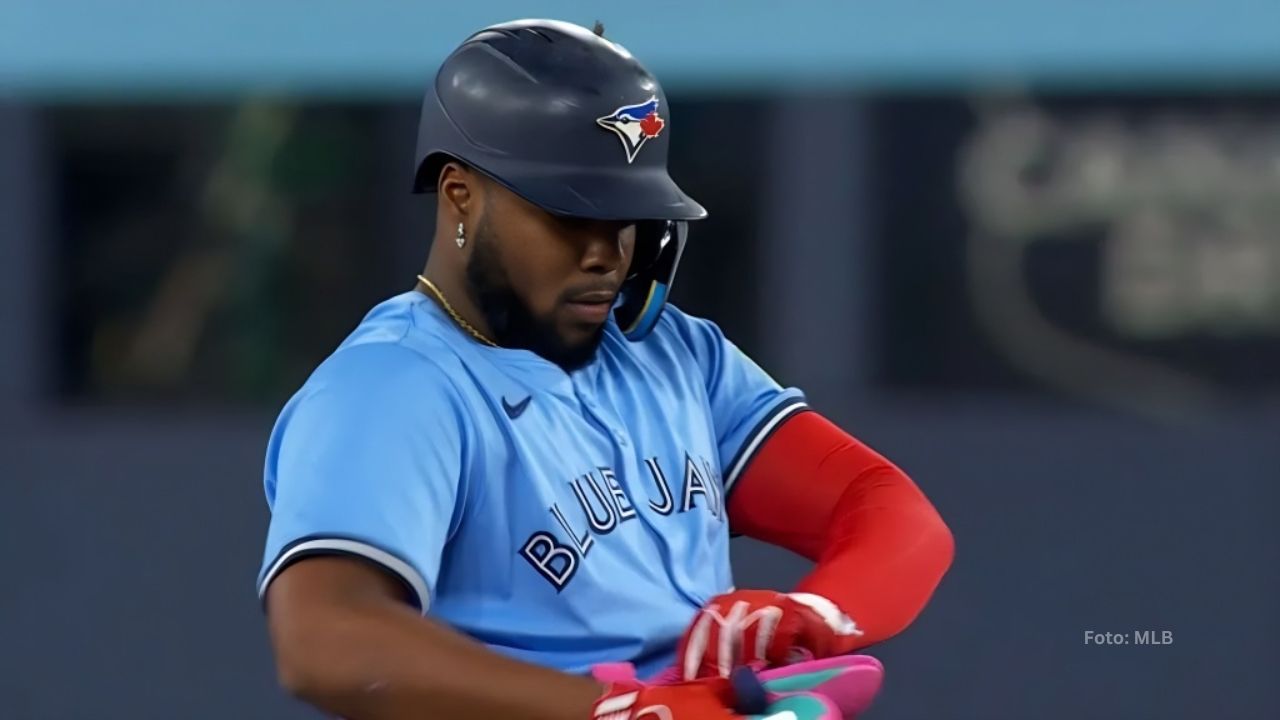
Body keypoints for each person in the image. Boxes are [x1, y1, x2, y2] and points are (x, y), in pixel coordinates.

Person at [256, 18, 954, 720]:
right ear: (460, 194)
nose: (608, 254)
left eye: (627, 216)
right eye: (569, 215)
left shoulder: (672, 352)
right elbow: (326, 643)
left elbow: (893, 513)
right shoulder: (394, 386)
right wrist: (617, 712)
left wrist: (815, 613)